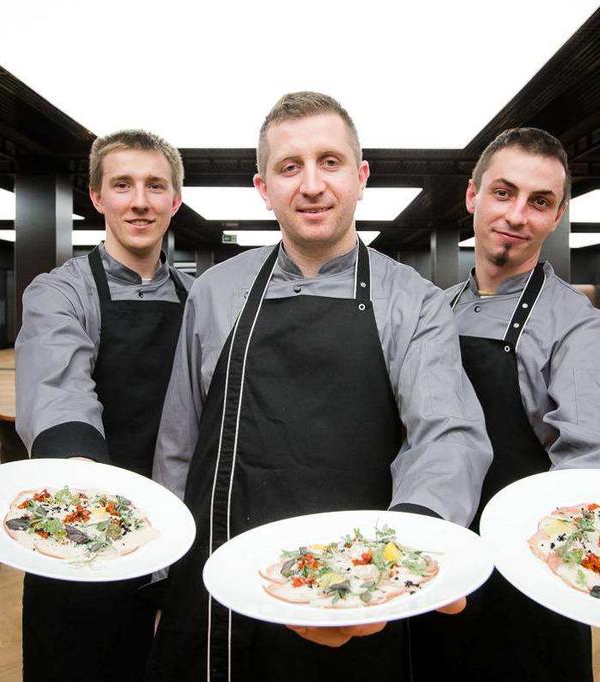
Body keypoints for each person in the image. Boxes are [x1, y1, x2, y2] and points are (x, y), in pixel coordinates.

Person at [147, 91, 491, 681]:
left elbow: (447, 435)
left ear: (360, 178)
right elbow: (178, 446)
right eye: (289, 167)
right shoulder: (213, 294)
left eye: (329, 162)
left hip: (363, 590)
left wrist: (405, 547)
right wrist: (164, 573)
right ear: (263, 187)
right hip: (219, 590)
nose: (311, 185)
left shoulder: (415, 303)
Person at [410, 127, 600, 681]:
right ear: (473, 196)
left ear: (557, 215)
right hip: (434, 555)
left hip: (530, 568)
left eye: (539, 202)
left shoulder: (581, 327)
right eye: (503, 193)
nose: (517, 215)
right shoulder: (433, 311)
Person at [14, 129, 194, 681]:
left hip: (178, 531)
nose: (139, 201)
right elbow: (58, 385)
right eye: (122, 185)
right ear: (97, 197)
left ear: (174, 200)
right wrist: (83, 480)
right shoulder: (60, 292)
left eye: (154, 186)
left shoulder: (201, 299)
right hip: (83, 526)